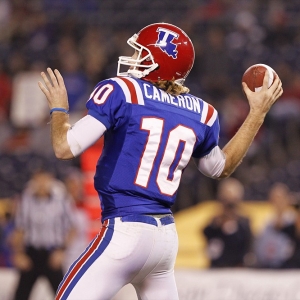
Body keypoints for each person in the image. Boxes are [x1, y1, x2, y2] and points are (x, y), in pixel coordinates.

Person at [38, 23, 283, 300]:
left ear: (158, 62)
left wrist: (58, 108)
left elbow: (64, 147)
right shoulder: (201, 112)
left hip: (124, 230)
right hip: (164, 239)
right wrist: (257, 114)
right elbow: (220, 167)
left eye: (142, 53)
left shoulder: (123, 91)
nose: (134, 59)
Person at [11, 170, 76, 300]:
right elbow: (19, 230)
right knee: (20, 295)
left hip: (52, 253)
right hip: (32, 253)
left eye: (44, 179)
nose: (41, 183)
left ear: (51, 180)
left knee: (64, 294)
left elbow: (72, 229)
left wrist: (62, 251)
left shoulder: (61, 201)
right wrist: (18, 253)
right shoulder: (26, 201)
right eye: (38, 179)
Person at [203, 178, 252, 268]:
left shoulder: (243, 225)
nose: (228, 208)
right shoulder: (214, 225)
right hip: (216, 270)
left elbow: (246, 248)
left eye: (232, 203)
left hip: (237, 270)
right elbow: (210, 246)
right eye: (225, 201)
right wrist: (218, 224)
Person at [255, 183, 297, 268]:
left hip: (289, 266)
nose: (278, 202)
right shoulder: (266, 221)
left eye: (280, 199)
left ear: (286, 200)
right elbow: (260, 246)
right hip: (267, 266)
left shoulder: (294, 220)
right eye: (274, 199)